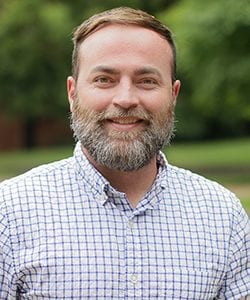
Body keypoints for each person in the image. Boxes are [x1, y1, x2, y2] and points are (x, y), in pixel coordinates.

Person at [0, 6, 249, 299]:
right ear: (72, 93)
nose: (126, 99)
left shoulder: (224, 216)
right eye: (104, 79)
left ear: (173, 95)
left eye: (147, 81)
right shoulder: (9, 214)